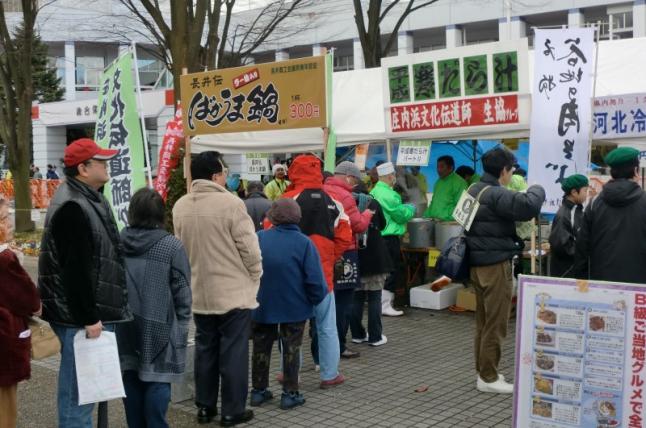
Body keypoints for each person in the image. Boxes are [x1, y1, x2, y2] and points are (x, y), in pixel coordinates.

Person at [38, 138, 131, 427]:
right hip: (79, 317)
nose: (107, 166)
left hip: (86, 313)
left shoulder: (88, 198)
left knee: (86, 392)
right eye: (101, 162)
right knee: (77, 397)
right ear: (83, 168)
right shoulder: (72, 206)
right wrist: (89, 317)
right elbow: (74, 269)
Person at [173, 151, 261, 426]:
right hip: (233, 292)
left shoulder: (180, 206)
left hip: (199, 290)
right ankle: (232, 410)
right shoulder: (231, 204)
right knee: (233, 352)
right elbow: (249, 248)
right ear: (215, 175)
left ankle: (205, 407)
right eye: (224, 172)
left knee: (205, 349)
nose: (227, 177)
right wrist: (256, 274)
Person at [465, 147, 545, 394]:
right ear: (504, 171)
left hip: (476, 264)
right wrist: (536, 187)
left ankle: (484, 372)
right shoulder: (496, 194)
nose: (511, 175)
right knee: (496, 323)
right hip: (494, 265)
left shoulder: (473, 189)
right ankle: (488, 377)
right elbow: (529, 206)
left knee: (483, 321)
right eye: (511, 171)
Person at [117, 188, 192, 428]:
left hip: (124, 323)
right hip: (159, 324)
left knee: (130, 375)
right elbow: (182, 291)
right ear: (161, 214)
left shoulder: (119, 240)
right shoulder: (171, 246)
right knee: (158, 379)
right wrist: (181, 325)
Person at [279, 154, 352, 389]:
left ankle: (290, 373)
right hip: (323, 275)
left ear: (294, 172)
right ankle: (329, 375)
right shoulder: (334, 202)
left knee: (291, 326)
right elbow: (345, 238)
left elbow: (272, 233)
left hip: (292, 276)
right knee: (326, 326)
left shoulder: (286, 200)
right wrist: (329, 259)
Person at [250, 199, 328, 410]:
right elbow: (315, 281)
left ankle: (258, 392)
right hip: (295, 306)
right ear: (298, 218)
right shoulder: (304, 243)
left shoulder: (259, 238)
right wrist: (314, 300)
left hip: (262, 304)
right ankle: (289, 394)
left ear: (272, 218)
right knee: (292, 349)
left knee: (260, 347)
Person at [324, 161, 373, 359]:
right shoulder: (345, 196)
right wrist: (368, 213)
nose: (354, 184)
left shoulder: (321, 189)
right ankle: (340, 346)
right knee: (343, 303)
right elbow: (358, 225)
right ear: (348, 177)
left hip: (325, 252)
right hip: (345, 252)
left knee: (327, 300)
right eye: (354, 180)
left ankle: (322, 350)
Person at [574, 147, 646, 283]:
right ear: (636, 171)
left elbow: (582, 247)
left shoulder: (594, 204)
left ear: (612, 173)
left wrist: (582, 281)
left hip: (602, 285)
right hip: (640, 289)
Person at [0, 197, 41, 428]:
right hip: (4, 339)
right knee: (6, 406)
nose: (10, 224)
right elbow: (28, 298)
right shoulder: (5, 259)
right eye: (5, 218)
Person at [370, 162, 416, 317]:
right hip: (388, 238)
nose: (395, 178)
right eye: (394, 175)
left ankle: (380, 303)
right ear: (389, 176)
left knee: (381, 271)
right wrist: (410, 208)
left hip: (377, 237)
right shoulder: (389, 195)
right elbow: (400, 214)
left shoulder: (375, 190)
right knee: (391, 270)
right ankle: (385, 305)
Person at [350, 182, 392, 346]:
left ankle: (357, 334)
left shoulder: (347, 202)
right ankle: (375, 336)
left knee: (356, 298)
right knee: (375, 297)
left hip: (354, 255)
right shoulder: (372, 202)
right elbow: (382, 225)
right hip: (374, 255)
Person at [549, 174, 589, 278]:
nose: (586, 194)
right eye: (585, 190)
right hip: (567, 273)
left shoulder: (577, 210)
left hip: (576, 272)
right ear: (574, 192)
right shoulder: (564, 215)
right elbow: (563, 246)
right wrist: (587, 253)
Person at [423, 155, 468, 221]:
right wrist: (425, 216)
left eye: (442, 167)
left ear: (451, 168)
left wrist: (445, 216)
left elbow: (462, 207)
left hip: (450, 223)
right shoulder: (438, 182)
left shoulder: (460, 183)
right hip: (435, 221)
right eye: (437, 167)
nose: (438, 170)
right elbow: (434, 202)